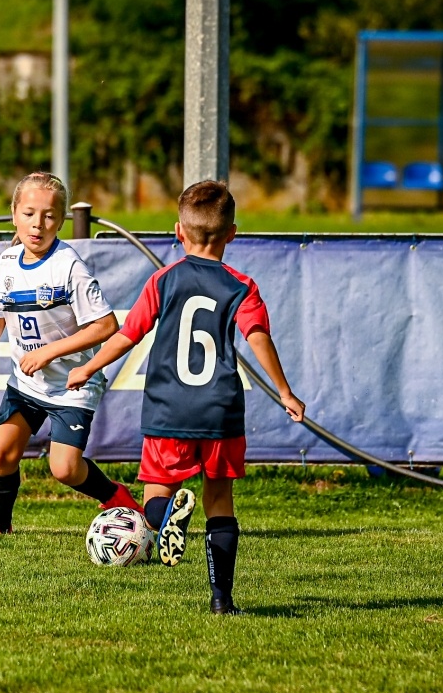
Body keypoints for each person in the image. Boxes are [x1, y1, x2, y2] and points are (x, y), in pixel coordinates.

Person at [67, 181, 303, 613]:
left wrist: (87, 367)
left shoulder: (164, 280)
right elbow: (258, 337)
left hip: (168, 407)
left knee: (156, 493)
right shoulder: (241, 286)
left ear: (179, 231)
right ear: (232, 233)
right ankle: (221, 599)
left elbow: (127, 335)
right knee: (219, 501)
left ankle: (165, 514)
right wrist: (285, 392)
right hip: (220, 410)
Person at [0, 171, 139, 536]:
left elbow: (106, 327)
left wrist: (50, 352)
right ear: (14, 214)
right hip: (26, 382)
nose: (38, 224)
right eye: (29, 213)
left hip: (72, 384)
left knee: (65, 469)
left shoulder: (69, 267)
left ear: (61, 220)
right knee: (3, 455)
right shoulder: (6, 263)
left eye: (49, 215)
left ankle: (118, 497)